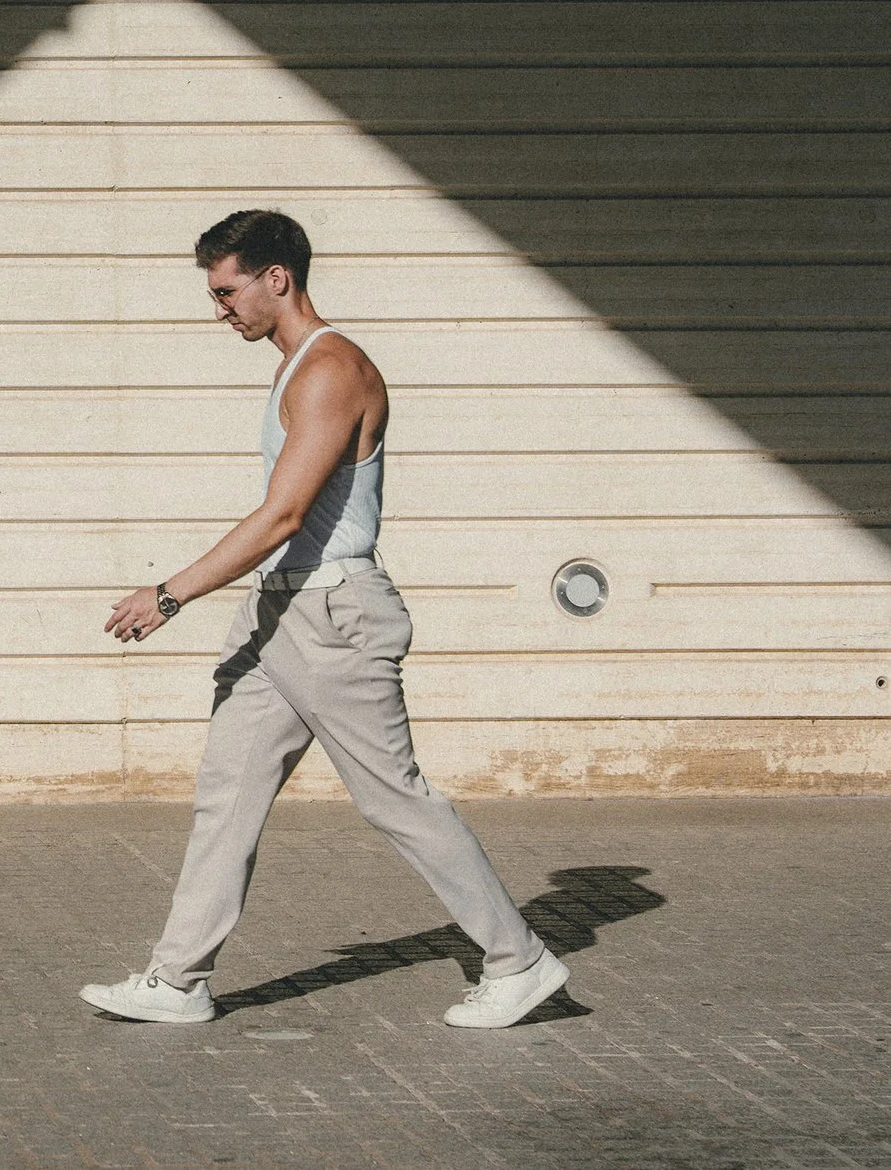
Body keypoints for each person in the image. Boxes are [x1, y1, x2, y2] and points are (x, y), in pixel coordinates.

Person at [79, 210, 567, 1030]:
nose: (220, 309)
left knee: (393, 798)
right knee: (227, 793)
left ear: (278, 277)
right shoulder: (295, 367)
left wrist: (169, 594)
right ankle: (179, 978)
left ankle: (519, 960)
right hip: (279, 608)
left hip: (331, 611)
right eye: (213, 294)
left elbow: (284, 513)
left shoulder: (331, 368)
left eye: (228, 290)